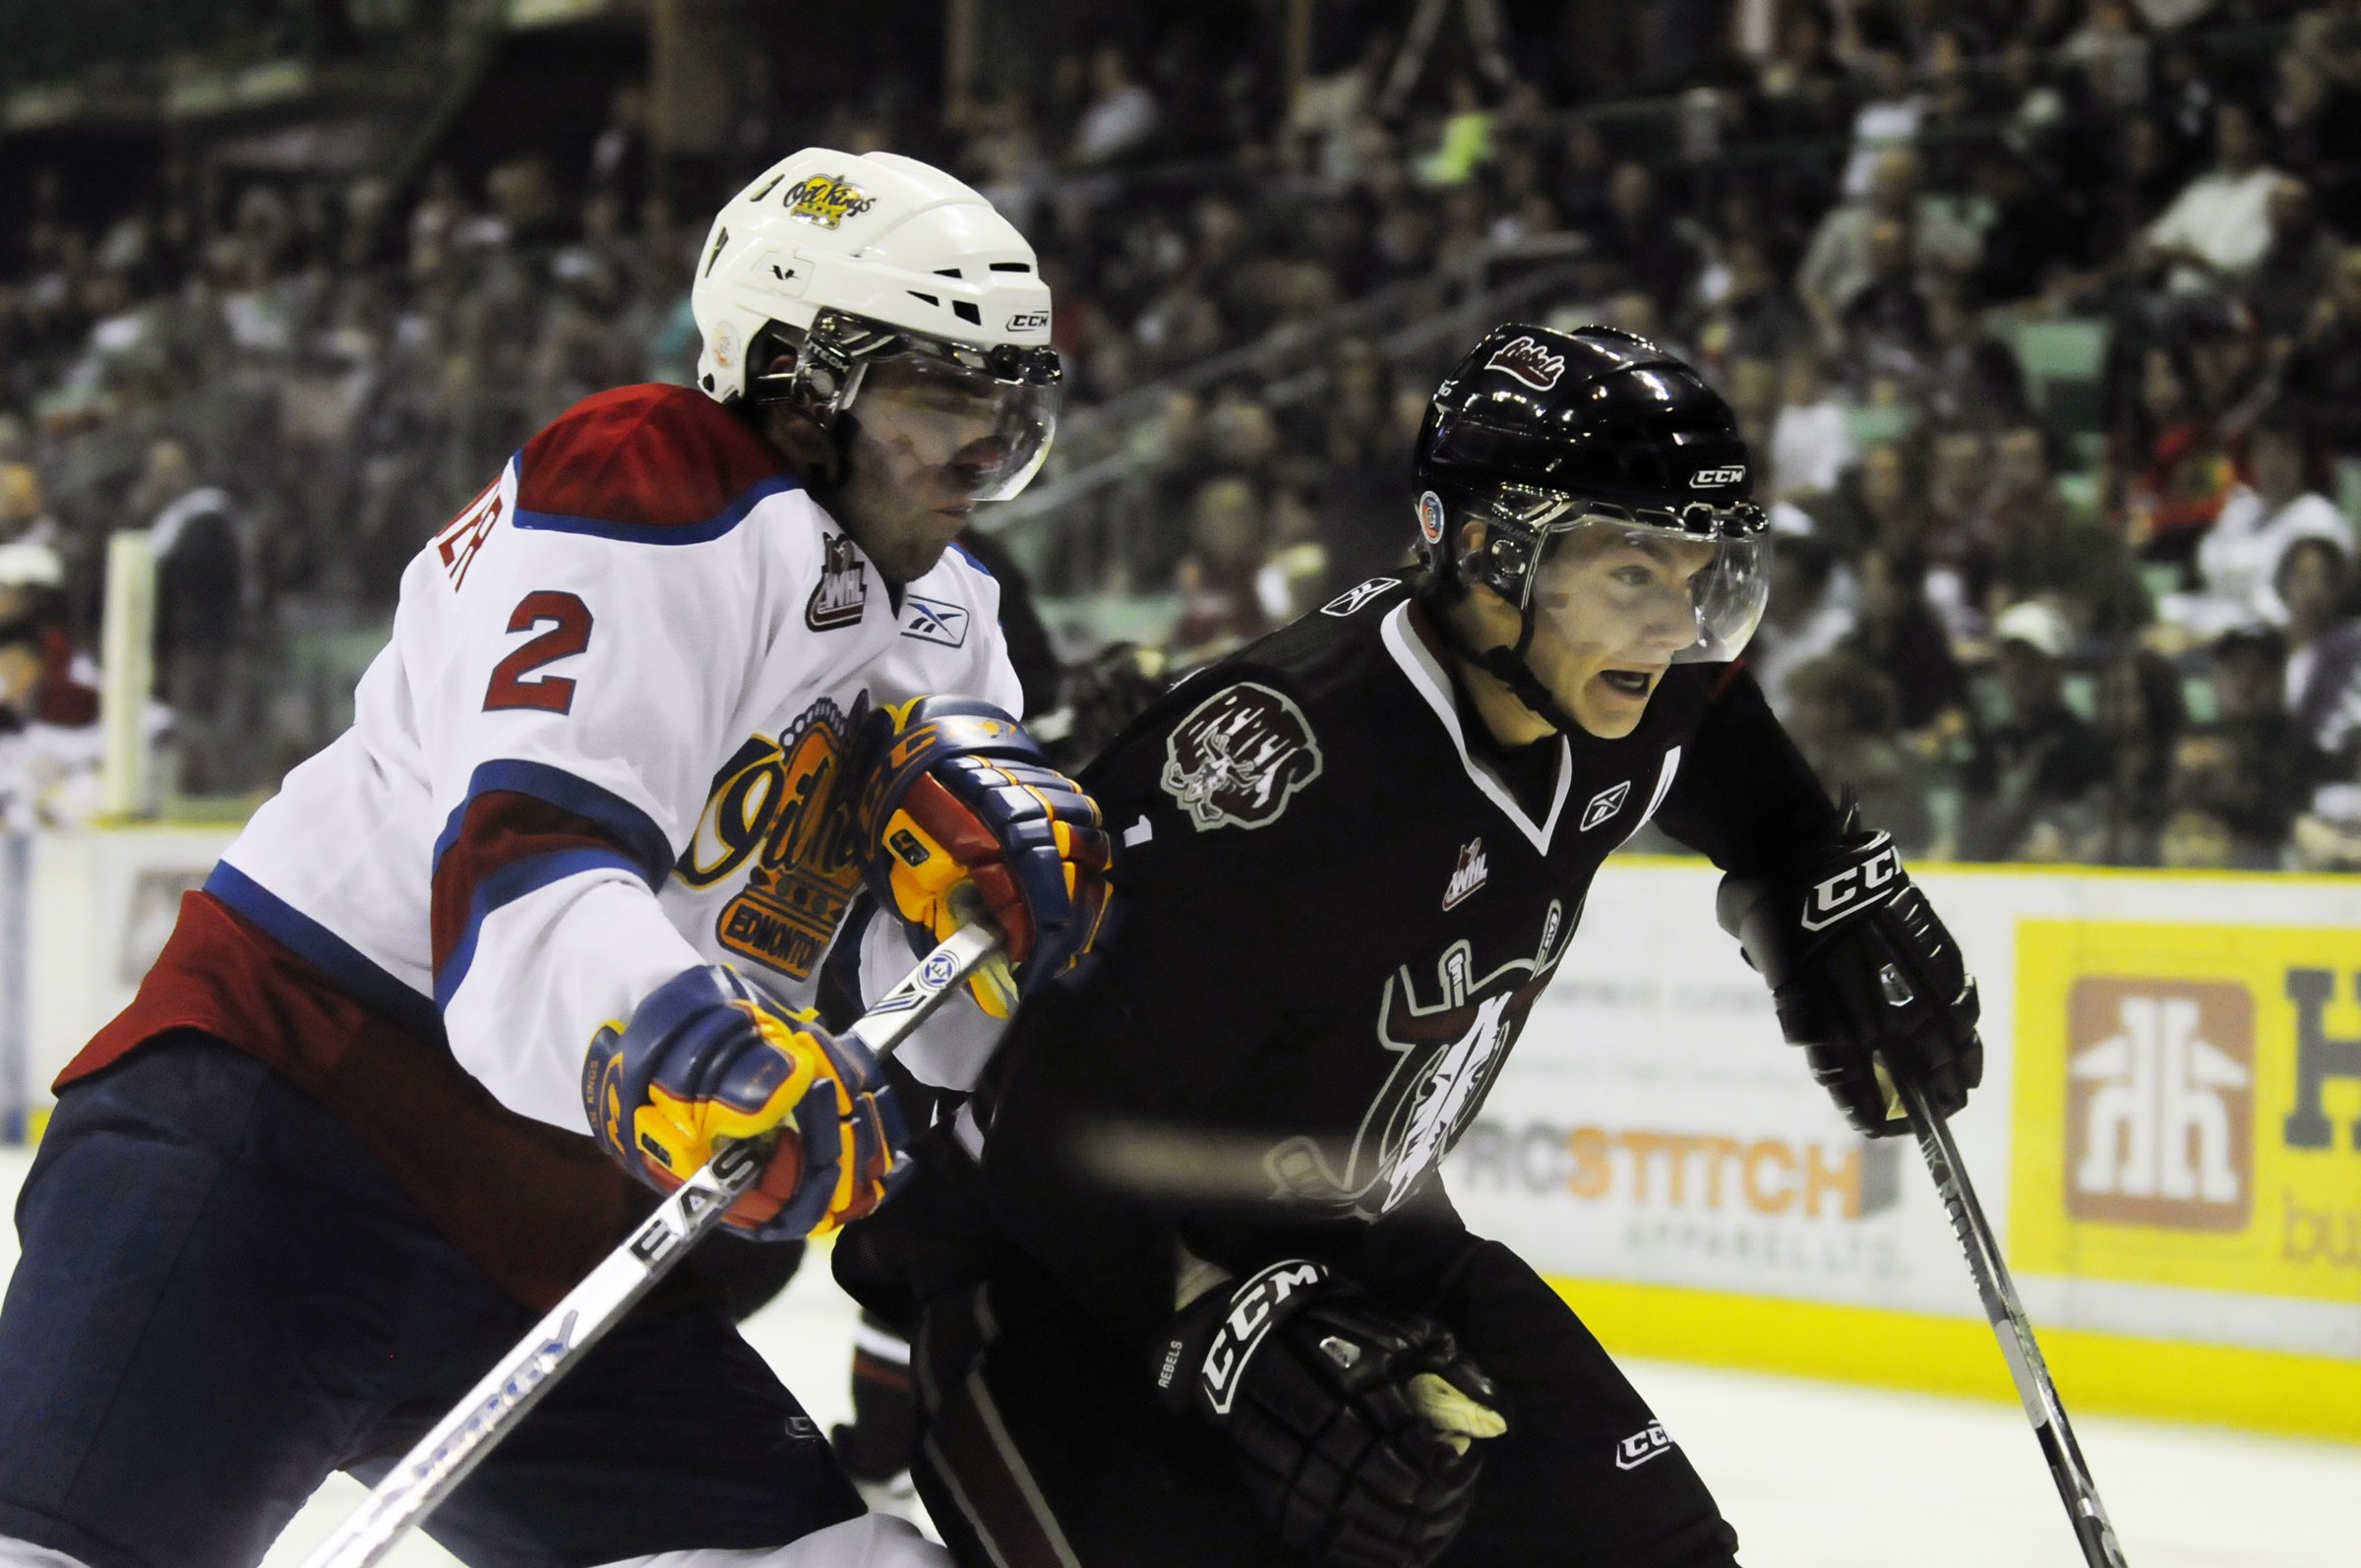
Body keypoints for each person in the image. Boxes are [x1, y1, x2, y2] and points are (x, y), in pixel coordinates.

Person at [0, 148, 1112, 1568]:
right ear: (794, 382)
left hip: (549, 1224)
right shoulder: (652, 475)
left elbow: (927, 1028)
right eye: (938, 394)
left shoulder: (956, 616)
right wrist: (702, 1049)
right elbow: (523, 878)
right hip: (281, 1137)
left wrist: (996, 925)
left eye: (1005, 404)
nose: (979, 446)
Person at [839, 325, 1984, 1568]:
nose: (1676, 626)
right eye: (1634, 572)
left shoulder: (1627, 694)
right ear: (1490, 555)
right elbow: (1043, 1136)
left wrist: (1816, 878)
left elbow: (1724, 748)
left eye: (1702, 571)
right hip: (1070, 1318)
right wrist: (1215, 1318)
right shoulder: (1280, 776)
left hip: (1376, 1252)